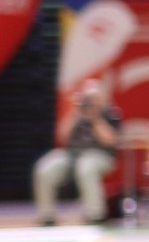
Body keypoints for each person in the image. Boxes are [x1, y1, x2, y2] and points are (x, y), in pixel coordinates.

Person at [33, 79, 120, 225]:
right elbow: (62, 137)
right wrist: (75, 112)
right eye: (88, 98)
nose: (91, 102)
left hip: (99, 155)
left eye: (95, 98)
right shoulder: (76, 114)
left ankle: (95, 214)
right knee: (45, 168)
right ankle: (47, 215)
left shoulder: (110, 114)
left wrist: (95, 118)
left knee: (86, 167)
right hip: (72, 154)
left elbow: (109, 140)